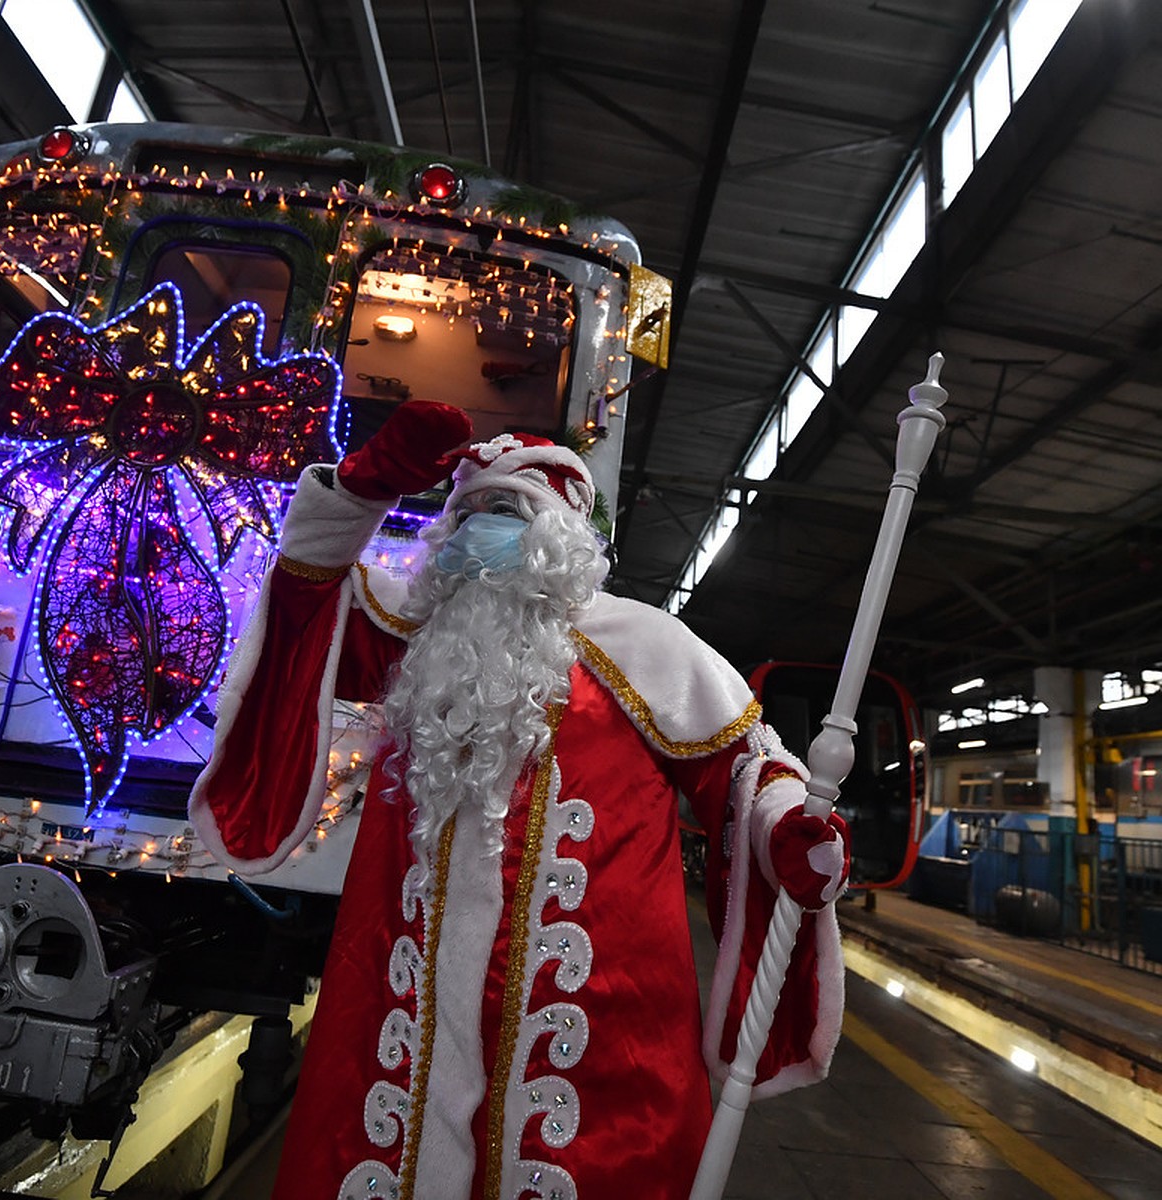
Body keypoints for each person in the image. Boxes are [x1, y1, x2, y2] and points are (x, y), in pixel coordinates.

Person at [189, 401, 850, 1200]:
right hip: (402, 1021)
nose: (479, 531)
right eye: (466, 512)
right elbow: (303, 602)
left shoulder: (647, 646)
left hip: (601, 1036)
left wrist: (788, 829)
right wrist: (361, 492)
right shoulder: (417, 635)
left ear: (559, 540)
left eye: (507, 512)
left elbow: (747, 766)